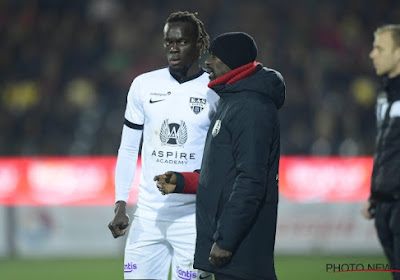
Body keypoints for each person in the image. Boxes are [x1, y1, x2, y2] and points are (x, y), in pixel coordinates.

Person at [155, 32, 286, 280]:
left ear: (232, 61)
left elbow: (250, 181)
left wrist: (226, 239)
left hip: (242, 249)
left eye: (214, 56)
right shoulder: (232, 102)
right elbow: (223, 175)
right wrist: (183, 182)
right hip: (232, 248)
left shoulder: (251, 108)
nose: (207, 62)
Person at [108, 11, 219, 280]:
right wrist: (120, 203)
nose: (173, 48)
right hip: (148, 218)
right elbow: (127, 148)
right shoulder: (144, 86)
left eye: (181, 42)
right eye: (168, 42)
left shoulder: (214, 90)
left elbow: (221, 157)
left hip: (193, 220)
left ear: (199, 45)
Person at [362, 24, 400, 279]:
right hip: (385, 204)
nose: (372, 54)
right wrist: (375, 195)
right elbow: (386, 147)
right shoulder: (384, 95)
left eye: (379, 48)